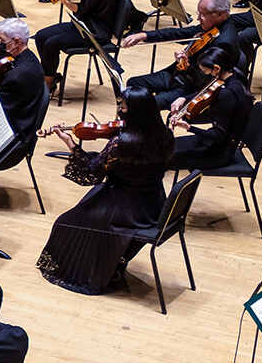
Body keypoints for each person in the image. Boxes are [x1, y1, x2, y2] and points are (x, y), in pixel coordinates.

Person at [38, 87, 174, 295]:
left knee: (65, 222)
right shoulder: (165, 135)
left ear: (135, 111)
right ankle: (115, 261)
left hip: (124, 208)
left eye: (124, 106)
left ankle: (86, 272)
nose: (119, 110)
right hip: (153, 202)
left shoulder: (121, 144)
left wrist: (70, 143)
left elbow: (91, 174)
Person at [122, 0, 250, 106]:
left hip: (188, 88)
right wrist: (144, 35)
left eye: (203, 14)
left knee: (148, 104)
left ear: (220, 14)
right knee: (133, 84)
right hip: (176, 75)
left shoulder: (224, 43)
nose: (199, 18)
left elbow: (209, 81)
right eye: (198, 13)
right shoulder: (213, 26)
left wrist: (187, 65)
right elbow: (180, 33)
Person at [167, 46, 253, 171]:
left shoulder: (227, 94)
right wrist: (184, 98)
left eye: (205, 71)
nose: (203, 73)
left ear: (217, 68)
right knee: (165, 150)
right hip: (217, 141)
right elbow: (206, 91)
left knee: (164, 157)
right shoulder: (233, 75)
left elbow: (218, 135)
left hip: (219, 153)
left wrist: (189, 127)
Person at [0, 19, 52, 141]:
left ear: (17, 41)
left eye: (1, 41)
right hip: (15, 116)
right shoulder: (28, 57)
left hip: (11, 132)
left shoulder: (18, 76)